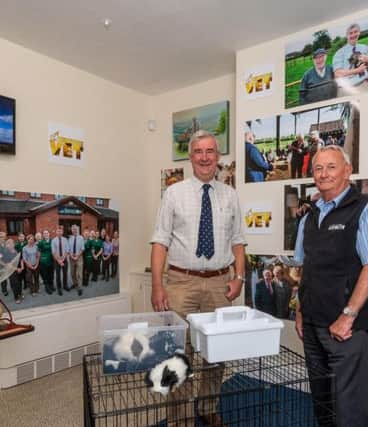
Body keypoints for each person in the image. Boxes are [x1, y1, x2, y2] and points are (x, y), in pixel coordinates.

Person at [294, 145, 368, 427]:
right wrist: (301, 310)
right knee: (323, 403)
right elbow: (305, 269)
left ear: (347, 171)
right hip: (314, 325)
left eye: (331, 167)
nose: (324, 174)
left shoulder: (367, 208)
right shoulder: (310, 216)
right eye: (318, 168)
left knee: (348, 408)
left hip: (347, 328)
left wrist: (348, 315)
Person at [151, 129, 246, 426]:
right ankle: (180, 419)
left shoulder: (230, 195)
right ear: (191, 157)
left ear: (218, 158)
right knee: (177, 354)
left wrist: (239, 277)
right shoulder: (174, 193)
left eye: (210, 152)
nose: (205, 157)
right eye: (198, 152)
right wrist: (157, 285)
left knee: (215, 354)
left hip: (220, 283)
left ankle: (207, 407)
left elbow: (239, 241)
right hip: (181, 283)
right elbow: (160, 242)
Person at [332, 23, 368, 96]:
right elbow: (338, 74)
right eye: (350, 33)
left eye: (356, 32)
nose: (353, 35)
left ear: (359, 33)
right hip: (346, 90)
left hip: (363, 85)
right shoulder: (339, 53)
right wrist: (357, 70)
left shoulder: (364, 48)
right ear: (347, 35)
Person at [51, 227, 69, 296]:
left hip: (64, 259)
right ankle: (59, 288)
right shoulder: (53, 241)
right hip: (57, 261)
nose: (59, 232)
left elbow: (67, 250)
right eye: (58, 231)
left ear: (62, 232)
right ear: (56, 232)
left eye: (60, 231)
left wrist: (63, 259)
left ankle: (65, 286)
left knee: (65, 274)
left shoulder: (65, 239)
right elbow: (53, 252)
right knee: (58, 275)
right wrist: (59, 261)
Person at [67, 224, 84, 296]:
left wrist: (77, 256)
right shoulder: (70, 238)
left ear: (77, 229)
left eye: (75, 229)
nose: (74, 230)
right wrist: (72, 256)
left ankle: (79, 288)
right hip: (71, 258)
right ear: (71, 230)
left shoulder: (81, 238)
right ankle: (75, 284)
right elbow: (68, 249)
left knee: (79, 274)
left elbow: (82, 249)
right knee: (72, 273)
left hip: (79, 257)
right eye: (73, 229)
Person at [37, 229, 54, 294]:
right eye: (44, 233)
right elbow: (38, 252)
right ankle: (47, 287)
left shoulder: (52, 241)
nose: (46, 234)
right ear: (43, 235)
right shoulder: (41, 242)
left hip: (51, 260)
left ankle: (51, 285)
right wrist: (39, 260)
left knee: (51, 274)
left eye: (47, 233)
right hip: (43, 261)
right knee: (45, 275)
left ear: (49, 234)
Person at [0, 231, 10, 297]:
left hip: (7, 263)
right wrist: (4, 264)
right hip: (0, 264)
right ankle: (4, 290)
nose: (3, 238)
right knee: (3, 278)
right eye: (1, 237)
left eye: (4, 237)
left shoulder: (6, 243)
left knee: (8, 275)